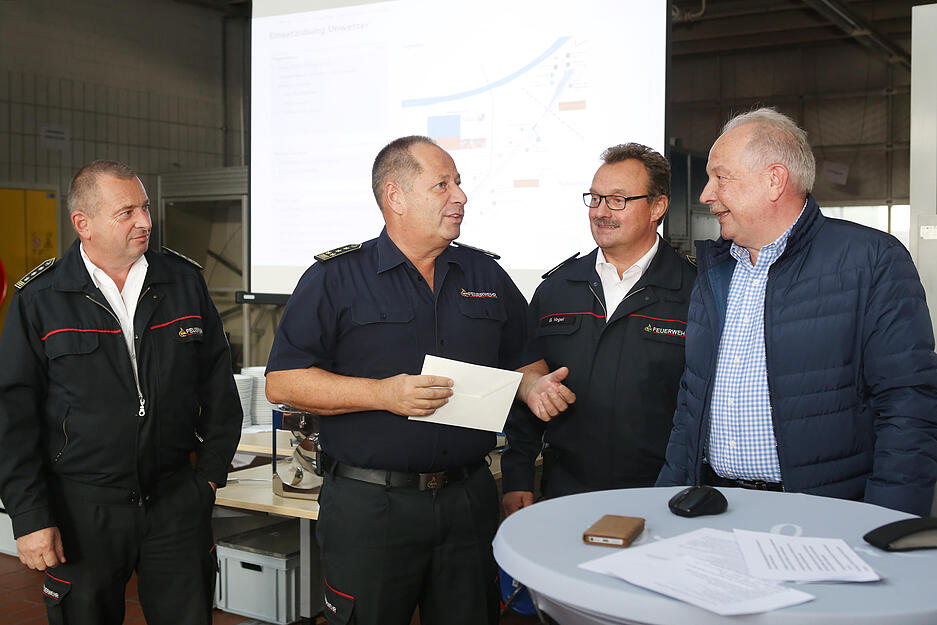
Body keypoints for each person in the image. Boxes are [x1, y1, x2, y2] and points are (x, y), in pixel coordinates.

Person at [264, 135, 572, 625]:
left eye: (460, 183)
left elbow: (523, 359)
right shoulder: (335, 278)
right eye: (442, 185)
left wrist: (533, 386)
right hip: (370, 506)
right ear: (396, 196)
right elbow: (282, 383)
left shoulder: (485, 273)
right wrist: (383, 394)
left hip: (467, 499)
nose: (461, 196)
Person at [657, 108, 937, 516]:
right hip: (712, 507)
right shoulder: (715, 270)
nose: (705, 194)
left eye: (721, 176)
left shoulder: (871, 260)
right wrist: (667, 499)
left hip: (824, 516)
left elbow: (909, 405)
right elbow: (692, 399)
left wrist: (887, 523)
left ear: (774, 180)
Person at [0, 160, 242, 624]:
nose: (145, 222)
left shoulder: (182, 282)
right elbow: (14, 420)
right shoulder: (42, 299)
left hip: (175, 501)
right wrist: (30, 516)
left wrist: (207, 481)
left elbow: (219, 390)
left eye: (146, 208)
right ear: (82, 224)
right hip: (82, 510)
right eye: (126, 212)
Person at [500, 143, 696, 515]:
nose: (601, 211)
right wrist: (517, 477)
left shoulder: (694, 292)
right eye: (595, 198)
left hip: (662, 498)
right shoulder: (557, 290)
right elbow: (527, 388)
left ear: (658, 207)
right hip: (565, 495)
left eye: (618, 200)